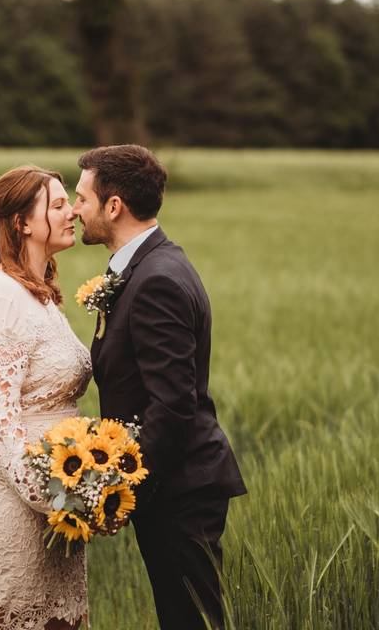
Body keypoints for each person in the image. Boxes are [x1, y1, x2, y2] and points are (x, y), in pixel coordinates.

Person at [72, 145, 248, 630]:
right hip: (176, 484)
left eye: (82, 197)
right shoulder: (150, 265)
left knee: (190, 620)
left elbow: (172, 405)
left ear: (114, 206)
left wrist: (123, 485)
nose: (73, 208)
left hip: (181, 490)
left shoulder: (156, 280)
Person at [0, 166, 91, 630]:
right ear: (23, 223)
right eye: (59, 204)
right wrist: (59, 501)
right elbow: (0, 424)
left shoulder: (40, 295)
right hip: (6, 501)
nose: (73, 213)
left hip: (54, 497)